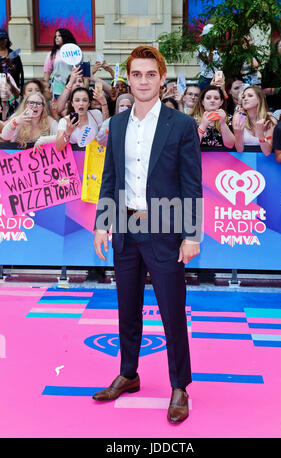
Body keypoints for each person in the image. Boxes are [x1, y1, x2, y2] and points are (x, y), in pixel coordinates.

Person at [92, 45, 202, 424]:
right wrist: (101, 223)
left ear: (161, 78)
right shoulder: (117, 124)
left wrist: (192, 235)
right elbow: (110, 178)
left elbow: (192, 185)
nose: (143, 81)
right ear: (128, 77)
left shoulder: (182, 125)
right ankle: (129, 373)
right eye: (136, 74)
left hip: (166, 231)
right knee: (127, 309)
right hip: (124, 228)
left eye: (150, 74)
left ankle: (179, 386)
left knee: (172, 312)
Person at [232, 85, 277, 156]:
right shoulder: (238, 117)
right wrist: (238, 134)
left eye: (250, 96)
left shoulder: (270, 120)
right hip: (244, 162)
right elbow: (239, 150)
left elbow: (267, 152)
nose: (245, 99)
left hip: (264, 163)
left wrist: (260, 133)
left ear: (259, 99)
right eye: (243, 97)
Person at [43, 28, 77, 98]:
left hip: (73, 85)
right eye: (56, 36)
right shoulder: (52, 54)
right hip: (58, 87)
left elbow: (80, 69)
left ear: (65, 37)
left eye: (59, 36)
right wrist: (45, 89)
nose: (57, 38)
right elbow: (47, 72)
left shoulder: (75, 52)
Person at [0, 28, 24, 93]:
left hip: (12, 87)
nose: (3, 41)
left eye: (5, 39)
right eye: (1, 39)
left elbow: (18, 72)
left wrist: (9, 64)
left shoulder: (13, 54)